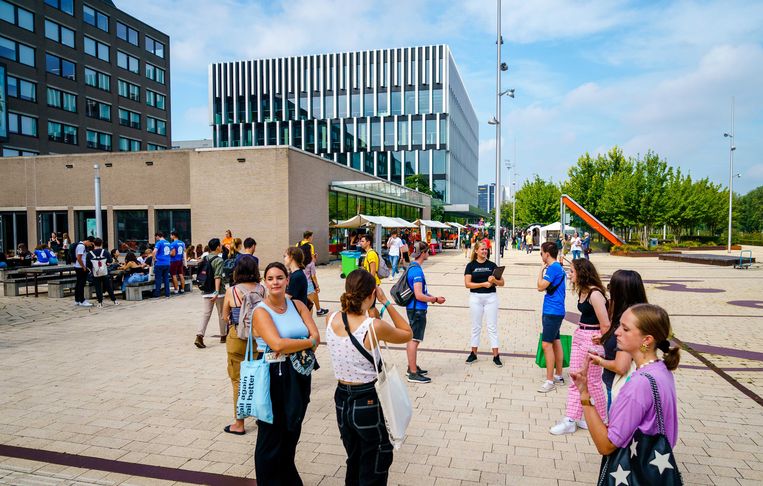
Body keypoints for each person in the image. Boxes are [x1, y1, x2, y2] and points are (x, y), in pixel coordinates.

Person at [327, 269, 413, 485]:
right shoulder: (372, 326)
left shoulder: (332, 318)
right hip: (367, 398)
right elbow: (407, 333)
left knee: (353, 458)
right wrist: (385, 302)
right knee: (375, 459)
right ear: (371, 293)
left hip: (342, 400)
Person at [570, 304, 679, 463]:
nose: (616, 332)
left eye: (625, 329)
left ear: (646, 340)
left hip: (634, 471)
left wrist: (584, 394)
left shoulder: (639, 384)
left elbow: (606, 445)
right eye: (619, 325)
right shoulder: (662, 369)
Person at [252, 262, 320, 486]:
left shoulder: (298, 304)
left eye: (279, 277)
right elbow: (277, 344)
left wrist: (305, 343)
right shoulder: (260, 311)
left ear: (287, 280)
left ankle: (287, 477)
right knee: (271, 435)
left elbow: (316, 337)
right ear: (264, 282)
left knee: (292, 431)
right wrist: (305, 343)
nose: (275, 283)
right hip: (273, 377)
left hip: (299, 375)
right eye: (270, 279)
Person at [550, 258, 609, 435]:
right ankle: (576, 417)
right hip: (580, 335)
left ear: (582, 273)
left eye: (572, 271)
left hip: (591, 338)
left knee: (592, 381)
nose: (569, 274)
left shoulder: (594, 294)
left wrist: (601, 340)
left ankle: (596, 417)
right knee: (577, 377)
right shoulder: (583, 291)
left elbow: (605, 323)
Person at [590, 270, 648, 411]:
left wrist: (599, 361)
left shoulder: (628, 324)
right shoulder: (637, 314)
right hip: (625, 386)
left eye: (612, 288)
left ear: (620, 293)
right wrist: (605, 339)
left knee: (615, 431)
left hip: (621, 387)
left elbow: (621, 367)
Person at [221, 256, 264, 435]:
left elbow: (225, 316)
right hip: (259, 339)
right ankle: (262, 417)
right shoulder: (262, 289)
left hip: (237, 338)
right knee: (260, 379)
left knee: (238, 381)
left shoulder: (232, 291)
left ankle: (239, 423)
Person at [406, 241, 446, 384]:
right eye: (427, 251)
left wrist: (432, 296)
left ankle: (412, 366)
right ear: (422, 253)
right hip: (417, 309)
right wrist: (434, 299)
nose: (429, 253)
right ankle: (413, 373)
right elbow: (418, 294)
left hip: (414, 308)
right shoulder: (416, 271)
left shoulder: (412, 267)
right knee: (414, 340)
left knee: (413, 338)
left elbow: (421, 292)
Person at [464, 240, 505, 367]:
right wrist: (483, 284)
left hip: (491, 298)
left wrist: (494, 281)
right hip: (475, 298)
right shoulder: (470, 266)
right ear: (476, 251)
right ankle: (473, 353)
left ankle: (496, 355)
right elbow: (467, 284)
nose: (485, 251)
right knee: (476, 326)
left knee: (492, 327)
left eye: (486, 249)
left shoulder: (492, 265)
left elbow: (502, 282)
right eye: (482, 249)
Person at [536, 241, 566, 392]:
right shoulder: (558, 267)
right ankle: (558, 375)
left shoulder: (553, 268)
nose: (541, 256)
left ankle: (549, 381)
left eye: (541, 253)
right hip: (557, 310)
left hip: (552, 311)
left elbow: (540, 287)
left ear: (547, 254)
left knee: (546, 344)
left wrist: (540, 271)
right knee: (556, 341)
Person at [196, 238, 225, 348]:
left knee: (206, 314)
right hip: (218, 292)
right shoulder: (219, 260)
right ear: (217, 247)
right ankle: (223, 336)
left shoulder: (204, 258)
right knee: (221, 314)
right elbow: (217, 276)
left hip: (206, 290)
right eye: (220, 245)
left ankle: (199, 335)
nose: (221, 247)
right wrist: (217, 291)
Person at [87, 238, 118, 308]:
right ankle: (114, 300)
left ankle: (100, 302)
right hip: (104, 272)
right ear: (101, 244)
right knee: (108, 286)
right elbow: (110, 261)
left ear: (93, 244)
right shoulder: (105, 252)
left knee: (98, 288)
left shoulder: (90, 253)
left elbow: (88, 264)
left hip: (95, 273)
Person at [73, 236, 95, 307]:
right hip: (80, 267)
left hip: (78, 267)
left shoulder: (80, 245)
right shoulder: (81, 246)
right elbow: (79, 258)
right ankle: (82, 300)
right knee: (81, 284)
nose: (90, 245)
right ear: (88, 241)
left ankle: (77, 300)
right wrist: (84, 267)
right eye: (90, 244)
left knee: (78, 284)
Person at [151, 232, 171, 298]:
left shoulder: (159, 242)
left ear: (158, 236)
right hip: (167, 263)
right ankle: (167, 293)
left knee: (158, 279)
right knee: (166, 278)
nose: (156, 238)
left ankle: (157, 293)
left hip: (159, 263)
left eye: (156, 237)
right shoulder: (168, 242)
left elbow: (154, 251)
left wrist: (154, 258)